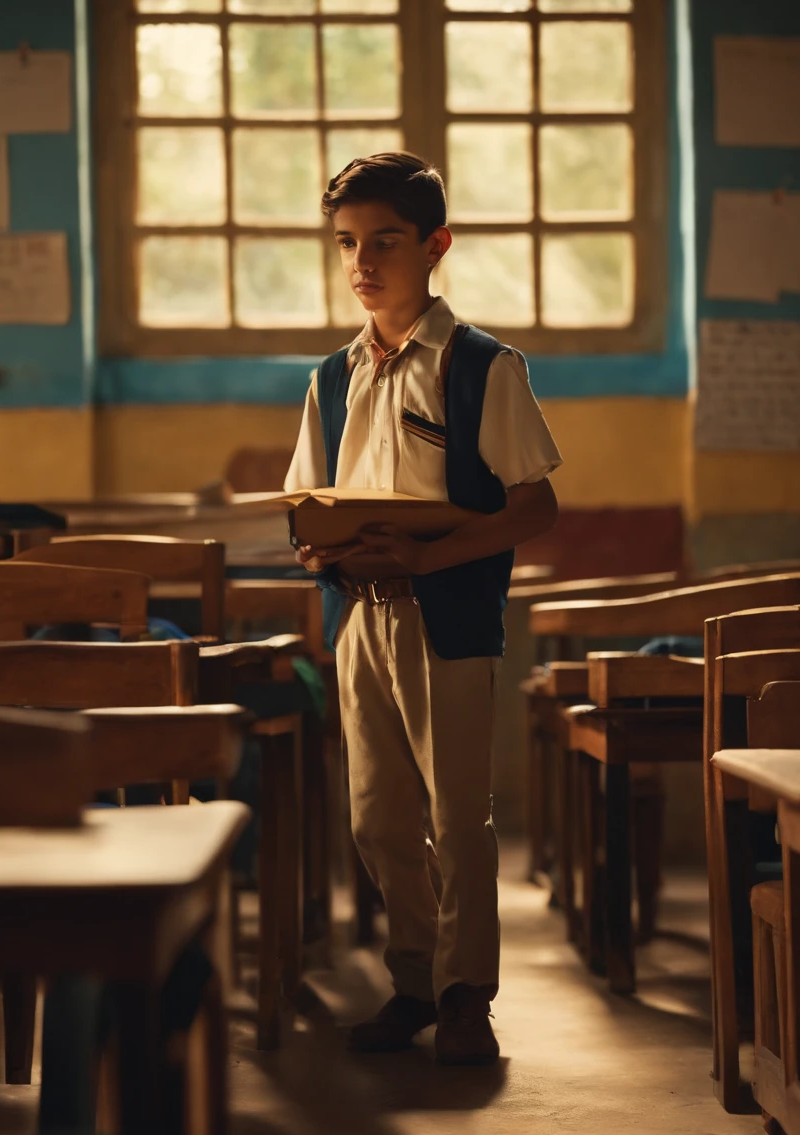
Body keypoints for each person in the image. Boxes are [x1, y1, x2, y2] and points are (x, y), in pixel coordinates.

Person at [284, 152, 561, 1065]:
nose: (363, 263)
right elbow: (307, 506)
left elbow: (534, 506)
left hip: (447, 621)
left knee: (459, 816)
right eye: (347, 244)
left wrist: (429, 552)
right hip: (360, 616)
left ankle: (462, 995)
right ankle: (411, 980)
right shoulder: (332, 377)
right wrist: (319, 546)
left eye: (385, 242)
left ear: (435, 245)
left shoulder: (481, 365)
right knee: (379, 816)